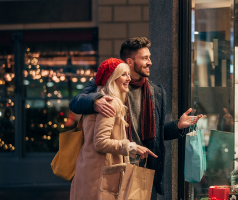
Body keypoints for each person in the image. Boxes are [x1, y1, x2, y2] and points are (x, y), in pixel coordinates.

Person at [69, 37, 202, 199]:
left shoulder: (155, 92)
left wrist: (177, 126)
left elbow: (155, 133)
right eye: (145, 58)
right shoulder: (106, 86)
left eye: (149, 57)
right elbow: (75, 103)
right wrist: (96, 101)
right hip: (113, 165)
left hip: (140, 165)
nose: (150, 62)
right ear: (130, 62)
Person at [70, 58, 156, 200]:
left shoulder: (98, 100)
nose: (129, 78)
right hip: (100, 176)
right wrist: (132, 147)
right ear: (112, 78)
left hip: (89, 171)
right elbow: (101, 143)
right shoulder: (110, 102)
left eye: (128, 74)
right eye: (123, 74)